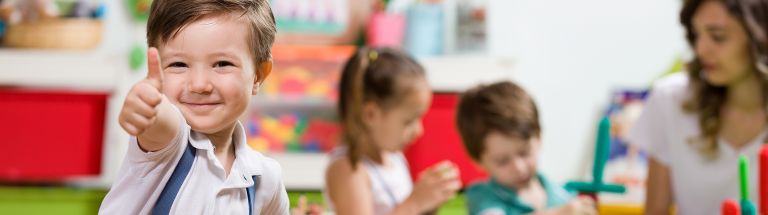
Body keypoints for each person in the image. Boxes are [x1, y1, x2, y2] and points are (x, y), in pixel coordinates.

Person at [99, 0, 289, 214]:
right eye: (178, 64)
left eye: (222, 64)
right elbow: (161, 122)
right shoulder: (167, 144)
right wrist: (148, 106)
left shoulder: (265, 179)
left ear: (258, 75)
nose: (199, 85)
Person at [628, 0, 768, 214]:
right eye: (696, 34)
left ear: (760, 36)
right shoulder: (670, 100)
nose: (701, 49)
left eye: (718, 36)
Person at [324, 47, 462, 215]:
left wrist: (428, 204)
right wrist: (415, 204)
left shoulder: (394, 158)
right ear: (371, 114)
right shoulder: (349, 169)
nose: (419, 131)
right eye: (408, 121)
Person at [456, 81, 596, 215]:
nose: (519, 167)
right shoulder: (482, 196)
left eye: (524, 152)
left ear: (539, 137)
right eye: (502, 161)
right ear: (478, 160)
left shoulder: (560, 195)